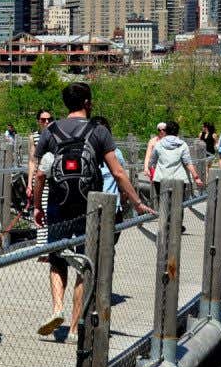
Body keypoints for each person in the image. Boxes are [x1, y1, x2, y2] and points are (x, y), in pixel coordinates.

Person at [30, 82, 154, 340]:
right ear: (87, 103)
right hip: (90, 207)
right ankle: (75, 327)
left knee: (56, 259)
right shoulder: (98, 131)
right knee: (84, 264)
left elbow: (41, 173)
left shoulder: (50, 130)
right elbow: (118, 172)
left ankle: (56, 308)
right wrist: (137, 203)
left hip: (58, 203)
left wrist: (36, 206)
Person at [148, 119, 205, 200]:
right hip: (179, 180)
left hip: (161, 179)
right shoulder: (182, 145)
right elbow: (188, 162)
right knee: (177, 206)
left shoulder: (158, 144)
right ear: (177, 132)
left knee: (163, 206)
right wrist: (196, 177)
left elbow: (151, 162)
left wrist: (152, 172)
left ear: (166, 131)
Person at [27, 109, 55, 250]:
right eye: (43, 120)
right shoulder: (34, 137)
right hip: (40, 177)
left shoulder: (56, 135)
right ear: (38, 121)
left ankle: (51, 245)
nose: (46, 122)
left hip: (53, 177)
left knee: (53, 210)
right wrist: (29, 184)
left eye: (49, 119)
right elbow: (32, 161)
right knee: (40, 209)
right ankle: (42, 247)